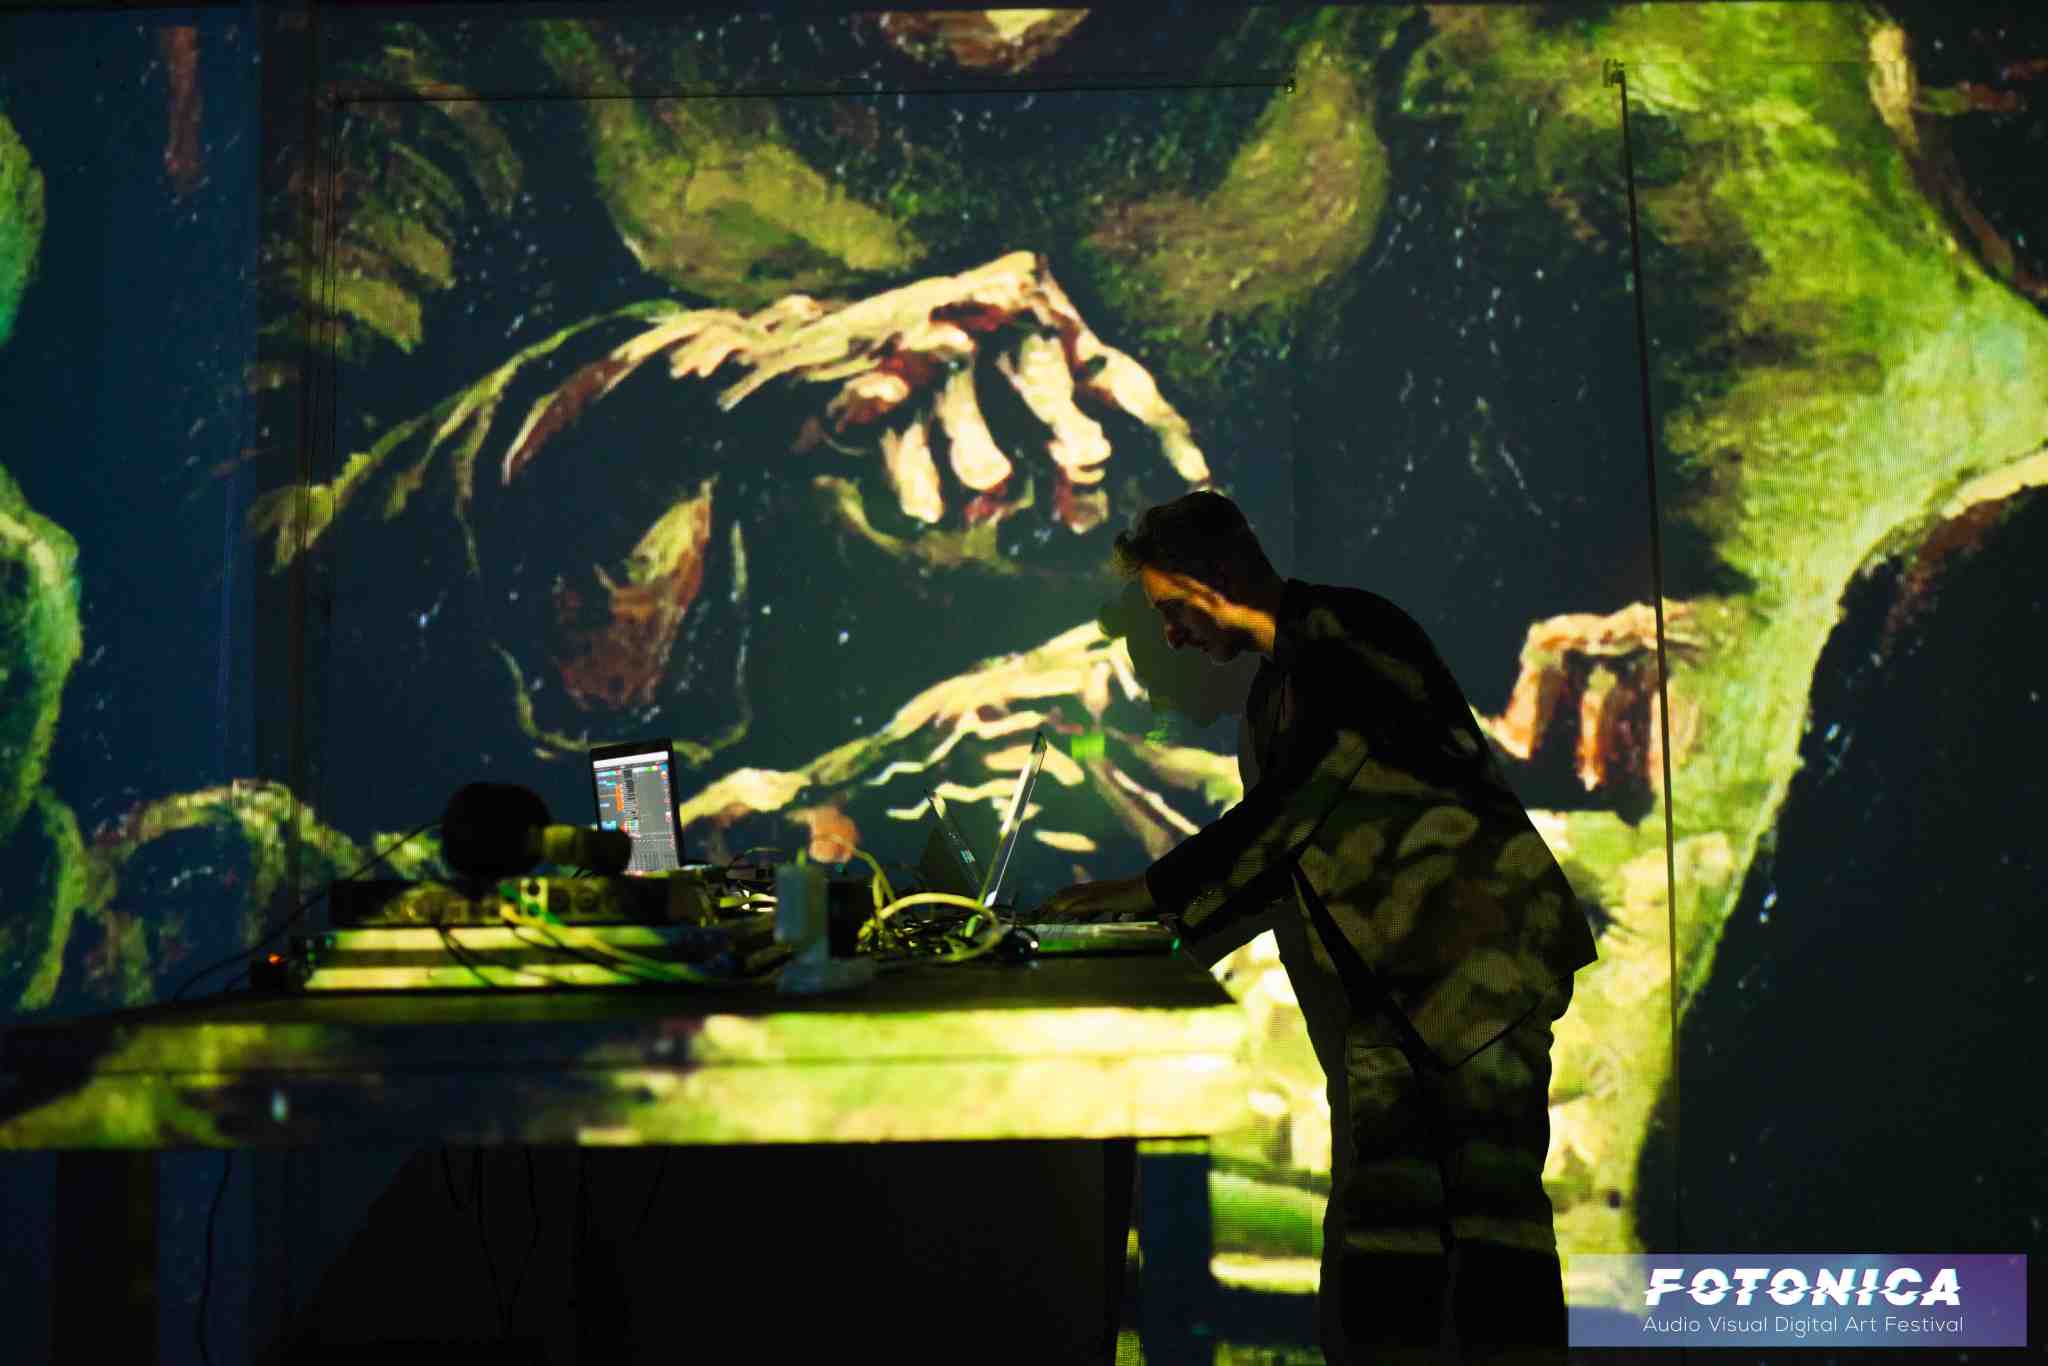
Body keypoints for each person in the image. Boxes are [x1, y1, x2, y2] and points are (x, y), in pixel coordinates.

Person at [1034, 490, 1598, 1363]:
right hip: (1391, 1003)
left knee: (1493, 1235)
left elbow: (1289, 817)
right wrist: (1153, 940)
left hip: (1473, 977)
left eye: (1171, 608)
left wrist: (1149, 893)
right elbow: (1277, 868)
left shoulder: (1351, 638)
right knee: (1385, 1246)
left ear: (1212, 579)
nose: (1171, 636)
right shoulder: (1278, 692)